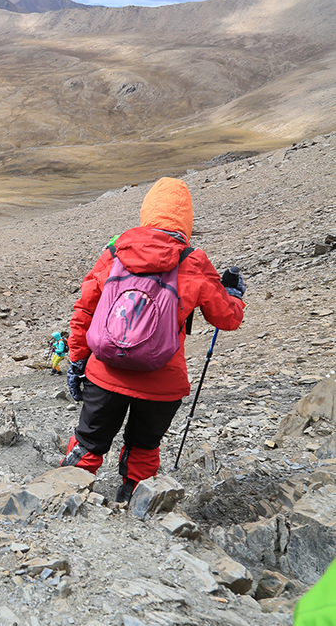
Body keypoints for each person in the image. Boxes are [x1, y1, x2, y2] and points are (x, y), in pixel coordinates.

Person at [60, 177, 246, 505]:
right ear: (186, 220)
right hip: (162, 383)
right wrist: (233, 294)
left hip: (106, 375)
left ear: (147, 211)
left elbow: (84, 309)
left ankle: (62, 501)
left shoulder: (116, 250)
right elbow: (227, 318)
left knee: (88, 445)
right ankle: (135, 507)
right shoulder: (193, 260)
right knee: (144, 449)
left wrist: (77, 361)